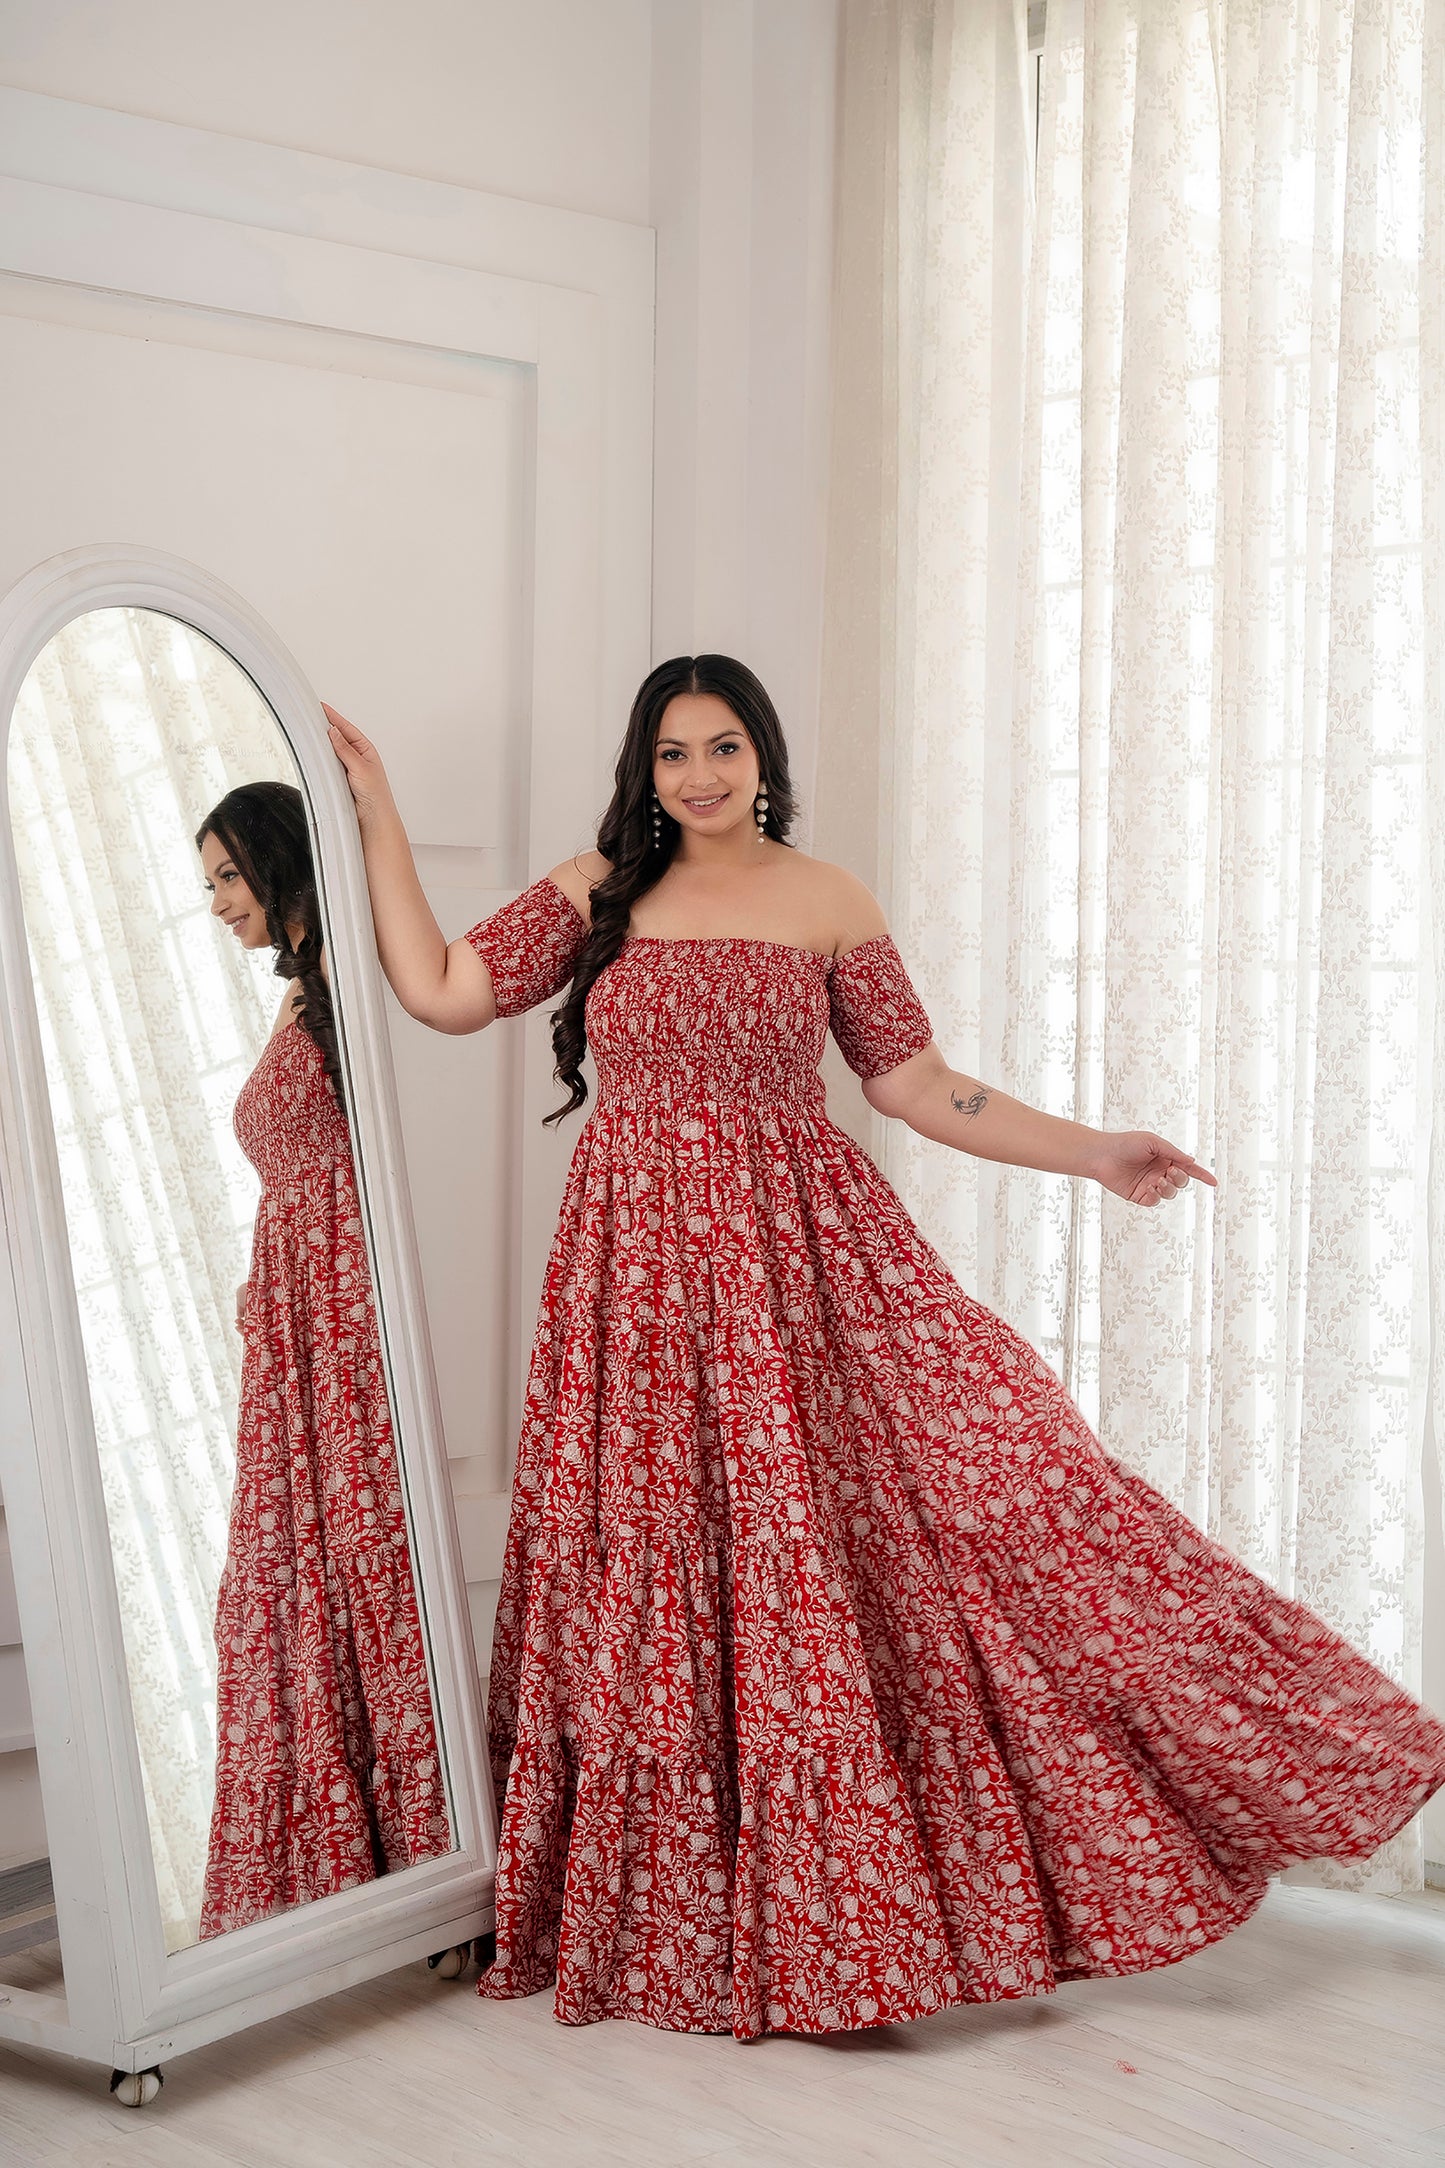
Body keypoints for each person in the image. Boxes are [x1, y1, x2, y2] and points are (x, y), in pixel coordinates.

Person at [327, 657, 1445, 2039]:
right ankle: (700, 1915)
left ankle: (853, 1922)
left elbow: (915, 1082)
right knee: (664, 1564)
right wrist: (377, 814)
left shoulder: (827, 898)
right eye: (672, 753)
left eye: (723, 746)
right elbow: (440, 990)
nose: (699, 776)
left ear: (763, 755)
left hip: (803, 1264)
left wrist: (1092, 1150)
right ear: (645, 769)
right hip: (632, 1279)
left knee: (983, 1505)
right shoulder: (594, 890)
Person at [195, 782, 450, 1938]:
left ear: (278, 864)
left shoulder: (338, 975)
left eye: (228, 877)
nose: (214, 904)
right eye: (208, 882)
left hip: (340, 1309)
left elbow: (371, 1151)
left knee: (361, 1553)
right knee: (302, 1563)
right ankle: (348, 1867)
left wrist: (374, 815)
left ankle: (420, 1857)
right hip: (300, 1314)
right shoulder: (304, 993)